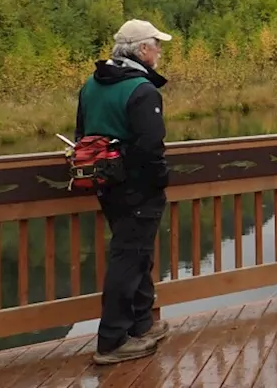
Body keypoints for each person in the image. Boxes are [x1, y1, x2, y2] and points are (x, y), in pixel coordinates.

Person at [75, 19, 173, 364]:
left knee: (135, 255)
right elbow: (151, 147)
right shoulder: (142, 90)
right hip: (138, 190)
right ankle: (112, 341)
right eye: (156, 45)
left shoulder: (91, 85)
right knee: (128, 260)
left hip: (104, 185)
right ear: (142, 49)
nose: (160, 51)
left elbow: (81, 135)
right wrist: (160, 181)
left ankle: (142, 325)